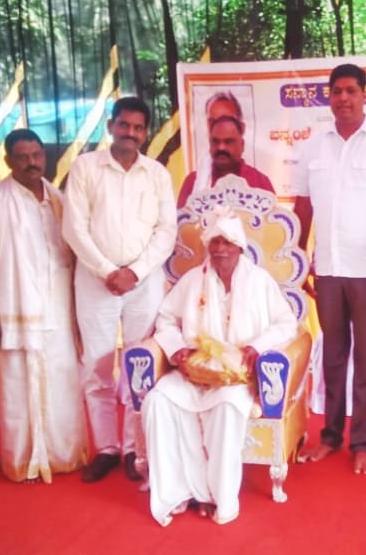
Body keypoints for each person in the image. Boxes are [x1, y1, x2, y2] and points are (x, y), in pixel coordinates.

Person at [293, 63, 366, 475]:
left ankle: (362, 441)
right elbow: (303, 208)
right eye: (336, 91)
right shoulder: (313, 147)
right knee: (332, 356)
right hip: (327, 270)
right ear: (328, 97)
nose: (343, 98)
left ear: (365, 94)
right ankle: (330, 436)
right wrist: (298, 262)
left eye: (350, 91)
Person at [143, 207, 298, 526]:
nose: (220, 249)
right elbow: (166, 319)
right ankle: (178, 492)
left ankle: (217, 497)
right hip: (194, 373)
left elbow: (286, 324)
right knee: (157, 401)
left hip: (236, 377)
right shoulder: (192, 280)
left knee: (227, 409)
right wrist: (177, 349)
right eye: (215, 242)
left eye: (227, 242)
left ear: (239, 246)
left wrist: (258, 347)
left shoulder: (259, 281)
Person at [63, 96, 176, 483]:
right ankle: (107, 448)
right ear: (111, 126)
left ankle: (133, 448)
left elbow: (166, 231)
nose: (131, 133)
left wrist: (136, 272)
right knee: (96, 366)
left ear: (146, 133)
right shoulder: (85, 168)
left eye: (138, 127)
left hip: (144, 284)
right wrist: (109, 271)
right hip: (96, 282)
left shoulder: (156, 174)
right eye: (124, 125)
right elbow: (74, 228)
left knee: (138, 364)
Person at [0, 129, 88, 483]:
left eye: (36, 155)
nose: (32, 163)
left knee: (64, 383)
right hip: (15, 310)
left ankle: (64, 455)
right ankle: (25, 460)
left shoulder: (59, 199)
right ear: (8, 161)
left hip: (60, 309)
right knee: (19, 387)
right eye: (22, 157)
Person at [177, 114, 274, 207]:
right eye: (215, 141)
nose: (221, 147)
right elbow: (182, 217)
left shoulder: (260, 182)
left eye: (228, 142)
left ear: (242, 145)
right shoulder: (192, 182)